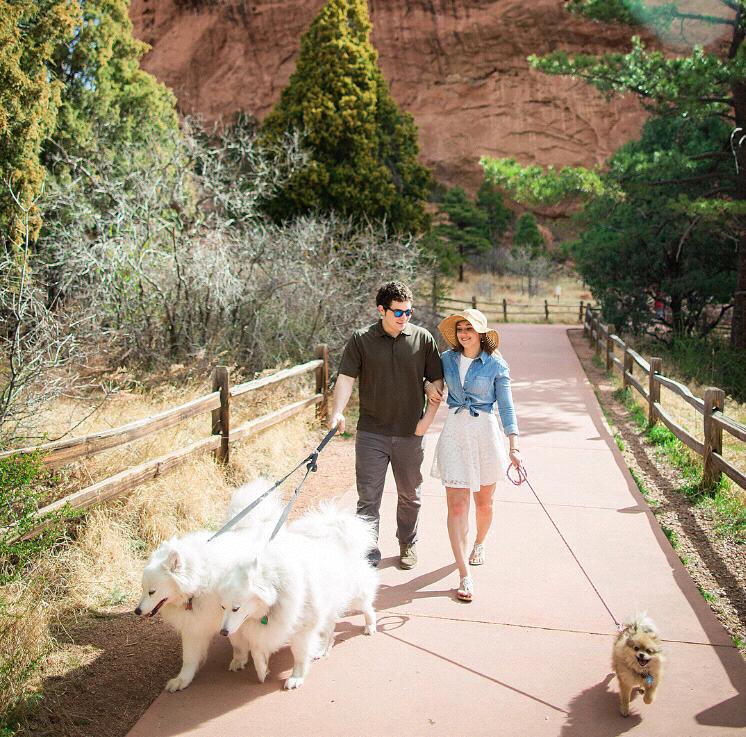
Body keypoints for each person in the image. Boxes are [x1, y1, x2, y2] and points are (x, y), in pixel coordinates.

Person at [329, 281, 444, 569]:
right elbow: (345, 378)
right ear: (381, 310)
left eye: (409, 312)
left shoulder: (423, 339)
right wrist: (338, 412)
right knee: (368, 498)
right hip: (371, 432)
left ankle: (407, 543)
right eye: (398, 312)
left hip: (410, 433)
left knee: (410, 495)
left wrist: (431, 388)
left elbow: (436, 378)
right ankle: (367, 550)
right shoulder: (361, 340)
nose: (405, 318)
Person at [416, 308, 520, 602]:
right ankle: (464, 574)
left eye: (469, 329)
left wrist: (514, 445)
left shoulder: (497, 365)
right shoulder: (446, 359)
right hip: (455, 433)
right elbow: (428, 379)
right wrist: (427, 386)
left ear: (481, 334)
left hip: (485, 434)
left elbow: (507, 407)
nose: (463, 334)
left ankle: (480, 542)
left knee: (484, 503)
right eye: (460, 329)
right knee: (458, 507)